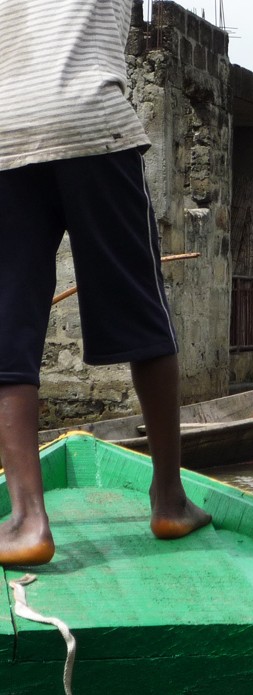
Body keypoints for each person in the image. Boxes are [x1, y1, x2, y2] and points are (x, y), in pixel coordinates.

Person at [0, 0, 211, 567]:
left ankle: (27, 522)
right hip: (92, 124)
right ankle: (169, 499)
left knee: (7, 329)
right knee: (143, 308)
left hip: (5, 133)